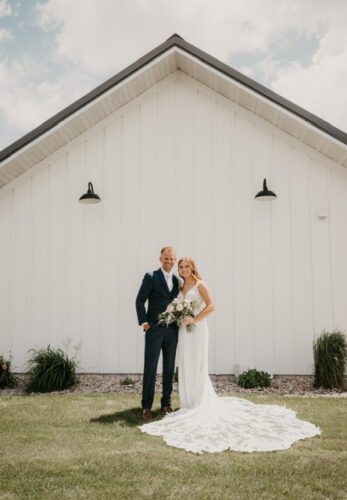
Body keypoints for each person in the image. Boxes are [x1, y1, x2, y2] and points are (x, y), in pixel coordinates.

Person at [138, 257, 321, 454]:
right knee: (186, 364)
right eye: (180, 266)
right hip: (183, 331)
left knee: (198, 364)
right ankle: (187, 403)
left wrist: (195, 319)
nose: (182, 269)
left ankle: (199, 402)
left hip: (197, 330)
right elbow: (163, 304)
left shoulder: (200, 284)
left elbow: (211, 306)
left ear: (192, 268)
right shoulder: (179, 285)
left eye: (186, 266)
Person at [135, 246, 179, 420]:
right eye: (166, 258)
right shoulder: (151, 277)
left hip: (172, 331)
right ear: (160, 259)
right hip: (154, 330)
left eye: (171, 259)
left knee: (169, 367)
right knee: (151, 368)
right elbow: (139, 301)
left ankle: (166, 404)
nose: (169, 261)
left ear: (174, 261)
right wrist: (145, 324)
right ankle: (146, 406)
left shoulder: (177, 280)